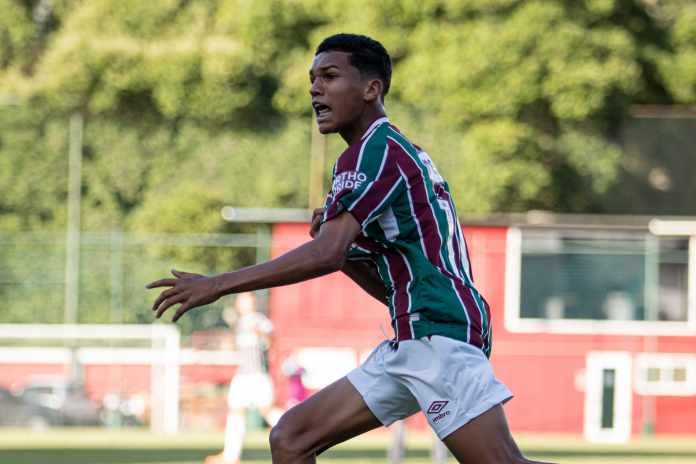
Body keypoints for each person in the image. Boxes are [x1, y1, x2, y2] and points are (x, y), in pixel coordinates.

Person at [147, 33, 551, 464]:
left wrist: (220, 284)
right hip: (415, 335)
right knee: (290, 438)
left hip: (439, 335)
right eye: (312, 79)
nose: (315, 88)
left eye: (330, 76)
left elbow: (325, 255)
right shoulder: (382, 153)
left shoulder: (376, 152)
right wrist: (348, 252)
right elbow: (377, 280)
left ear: (371, 89)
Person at [205, 292, 281, 464]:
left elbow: (271, 340)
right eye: (240, 301)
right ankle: (231, 455)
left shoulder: (259, 320)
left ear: (252, 303)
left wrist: (261, 333)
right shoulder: (239, 323)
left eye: (245, 301)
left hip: (257, 374)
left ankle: (298, 431)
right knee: (236, 411)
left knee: (267, 410)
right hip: (242, 374)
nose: (242, 304)